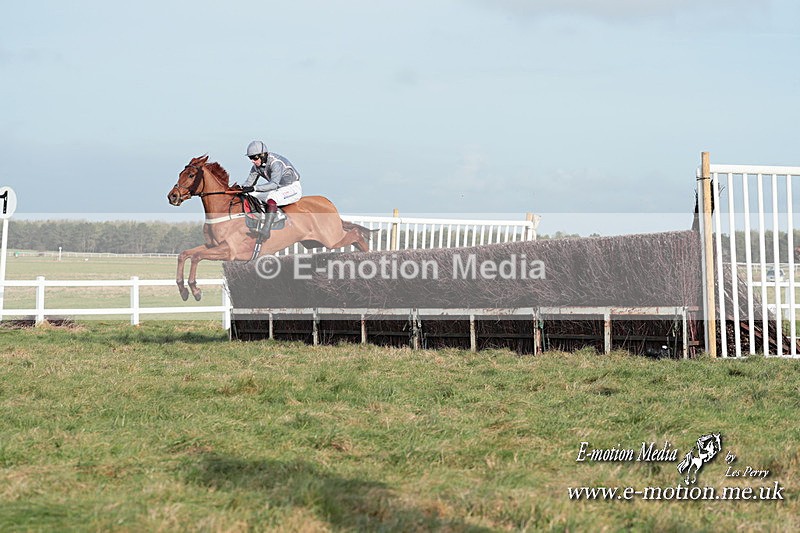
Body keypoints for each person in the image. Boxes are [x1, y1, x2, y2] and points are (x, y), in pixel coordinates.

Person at [240, 140, 303, 238]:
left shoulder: (275, 163)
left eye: (254, 158)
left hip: (292, 188)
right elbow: (248, 184)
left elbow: (273, 184)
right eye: (250, 158)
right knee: (250, 195)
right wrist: (239, 189)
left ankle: (266, 230)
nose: (252, 160)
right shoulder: (256, 167)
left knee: (272, 198)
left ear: (263, 155)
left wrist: (254, 188)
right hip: (278, 189)